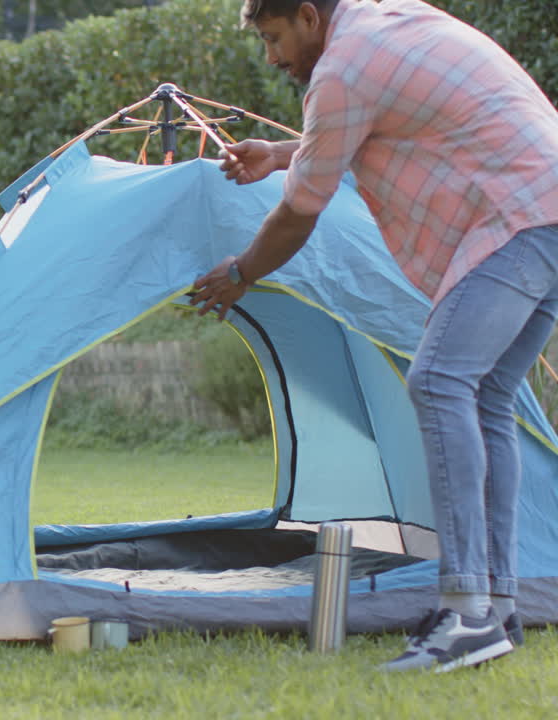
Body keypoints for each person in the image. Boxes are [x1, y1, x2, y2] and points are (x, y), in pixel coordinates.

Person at [191, 0, 558, 672]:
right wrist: (278, 154)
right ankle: (499, 606)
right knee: (488, 397)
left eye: (274, 38)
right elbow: (378, 131)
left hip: (522, 216)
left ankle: (467, 611)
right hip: (547, 203)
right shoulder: (384, 19)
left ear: (307, 16)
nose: (271, 57)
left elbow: (302, 213)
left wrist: (242, 271)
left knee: (441, 380)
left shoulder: (342, 69)